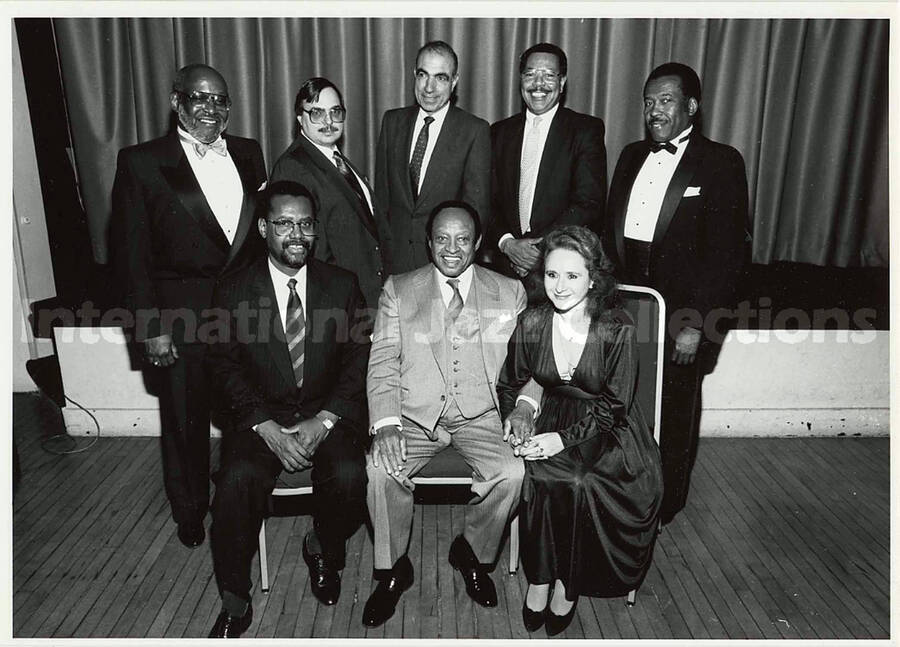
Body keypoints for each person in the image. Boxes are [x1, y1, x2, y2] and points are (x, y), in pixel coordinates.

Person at [110, 63, 267, 549]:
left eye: (221, 100)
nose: (211, 109)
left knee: (249, 410)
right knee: (184, 420)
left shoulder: (248, 152)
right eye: (200, 98)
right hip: (179, 318)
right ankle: (190, 509)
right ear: (177, 102)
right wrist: (150, 327)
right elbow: (129, 255)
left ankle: (245, 495)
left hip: (245, 313)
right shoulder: (141, 161)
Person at [204, 181, 371, 637]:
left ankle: (322, 546)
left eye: (304, 224)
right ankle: (235, 599)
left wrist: (326, 418)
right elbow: (222, 366)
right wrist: (265, 426)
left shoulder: (342, 285)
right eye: (283, 224)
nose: (295, 234)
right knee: (236, 484)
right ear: (263, 228)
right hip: (260, 419)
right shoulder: (233, 290)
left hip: (325, 414)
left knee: (351, 476)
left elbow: (359, 359)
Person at [363, 201, 526, 628]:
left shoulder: (509, 291)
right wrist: (385, 425)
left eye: (462, 239)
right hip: (415, 417)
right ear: (428, 241)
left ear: (478, 243)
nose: (451, 249)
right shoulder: (399, 289)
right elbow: (382, 361)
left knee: (511, 474)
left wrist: (524, 408)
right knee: (380, 472)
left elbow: (531, 364)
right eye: (442, 239)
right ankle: (393, 569)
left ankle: (471, 552)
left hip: (483, 415)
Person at [497, 226, 663, 635]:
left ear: (594, 278)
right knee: (535, 474)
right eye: (552, 275)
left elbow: (616, 405)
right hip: (551, 412)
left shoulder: (616, 326)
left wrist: (560, 440)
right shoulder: (532, 321)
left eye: (573, 276)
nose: (560, 286)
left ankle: (566, 587)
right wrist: (517, 415)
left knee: (577, 478)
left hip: (607, 427)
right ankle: (539, 578)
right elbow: (509, 382)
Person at [605, 62, 749, 524]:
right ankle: (624, 492)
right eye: (648, 102)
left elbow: (728, 258)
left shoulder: (722, 161)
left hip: (682, 316)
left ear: (692, 106)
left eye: (665, 101)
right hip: (627, 306)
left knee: (676, 407)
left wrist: (698, 325)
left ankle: (666, 504)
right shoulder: (629, 155)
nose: (654, 111)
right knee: (626, 400)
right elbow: (611, 235)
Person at [489, 43, 607, 290]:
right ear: (521, 80)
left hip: (559, 272)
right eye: (530, 74)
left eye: (548, 75)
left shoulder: (585, 130)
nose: (538, 84)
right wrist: (508, 244)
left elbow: (589, 203)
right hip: (503, 272)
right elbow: (487, 200)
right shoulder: (499, 132)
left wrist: (537, 250)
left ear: (562, 82)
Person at [270, 77, 391, 310]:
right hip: (342, 305)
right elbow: (309, 252)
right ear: (299, 118)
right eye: (317, 113)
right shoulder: (293, 166)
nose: (328, 121)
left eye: (335, 112)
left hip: (372, 298)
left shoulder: (338, 160)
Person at [375, 40, 490, 274]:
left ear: (454, 81)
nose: (429, 87)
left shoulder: (474, 131)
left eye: (441, 78)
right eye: (423, 75)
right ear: (413, 75)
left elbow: (474, 212)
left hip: (443, 268)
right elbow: (382, 200)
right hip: (395, 266)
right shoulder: (392, 122)